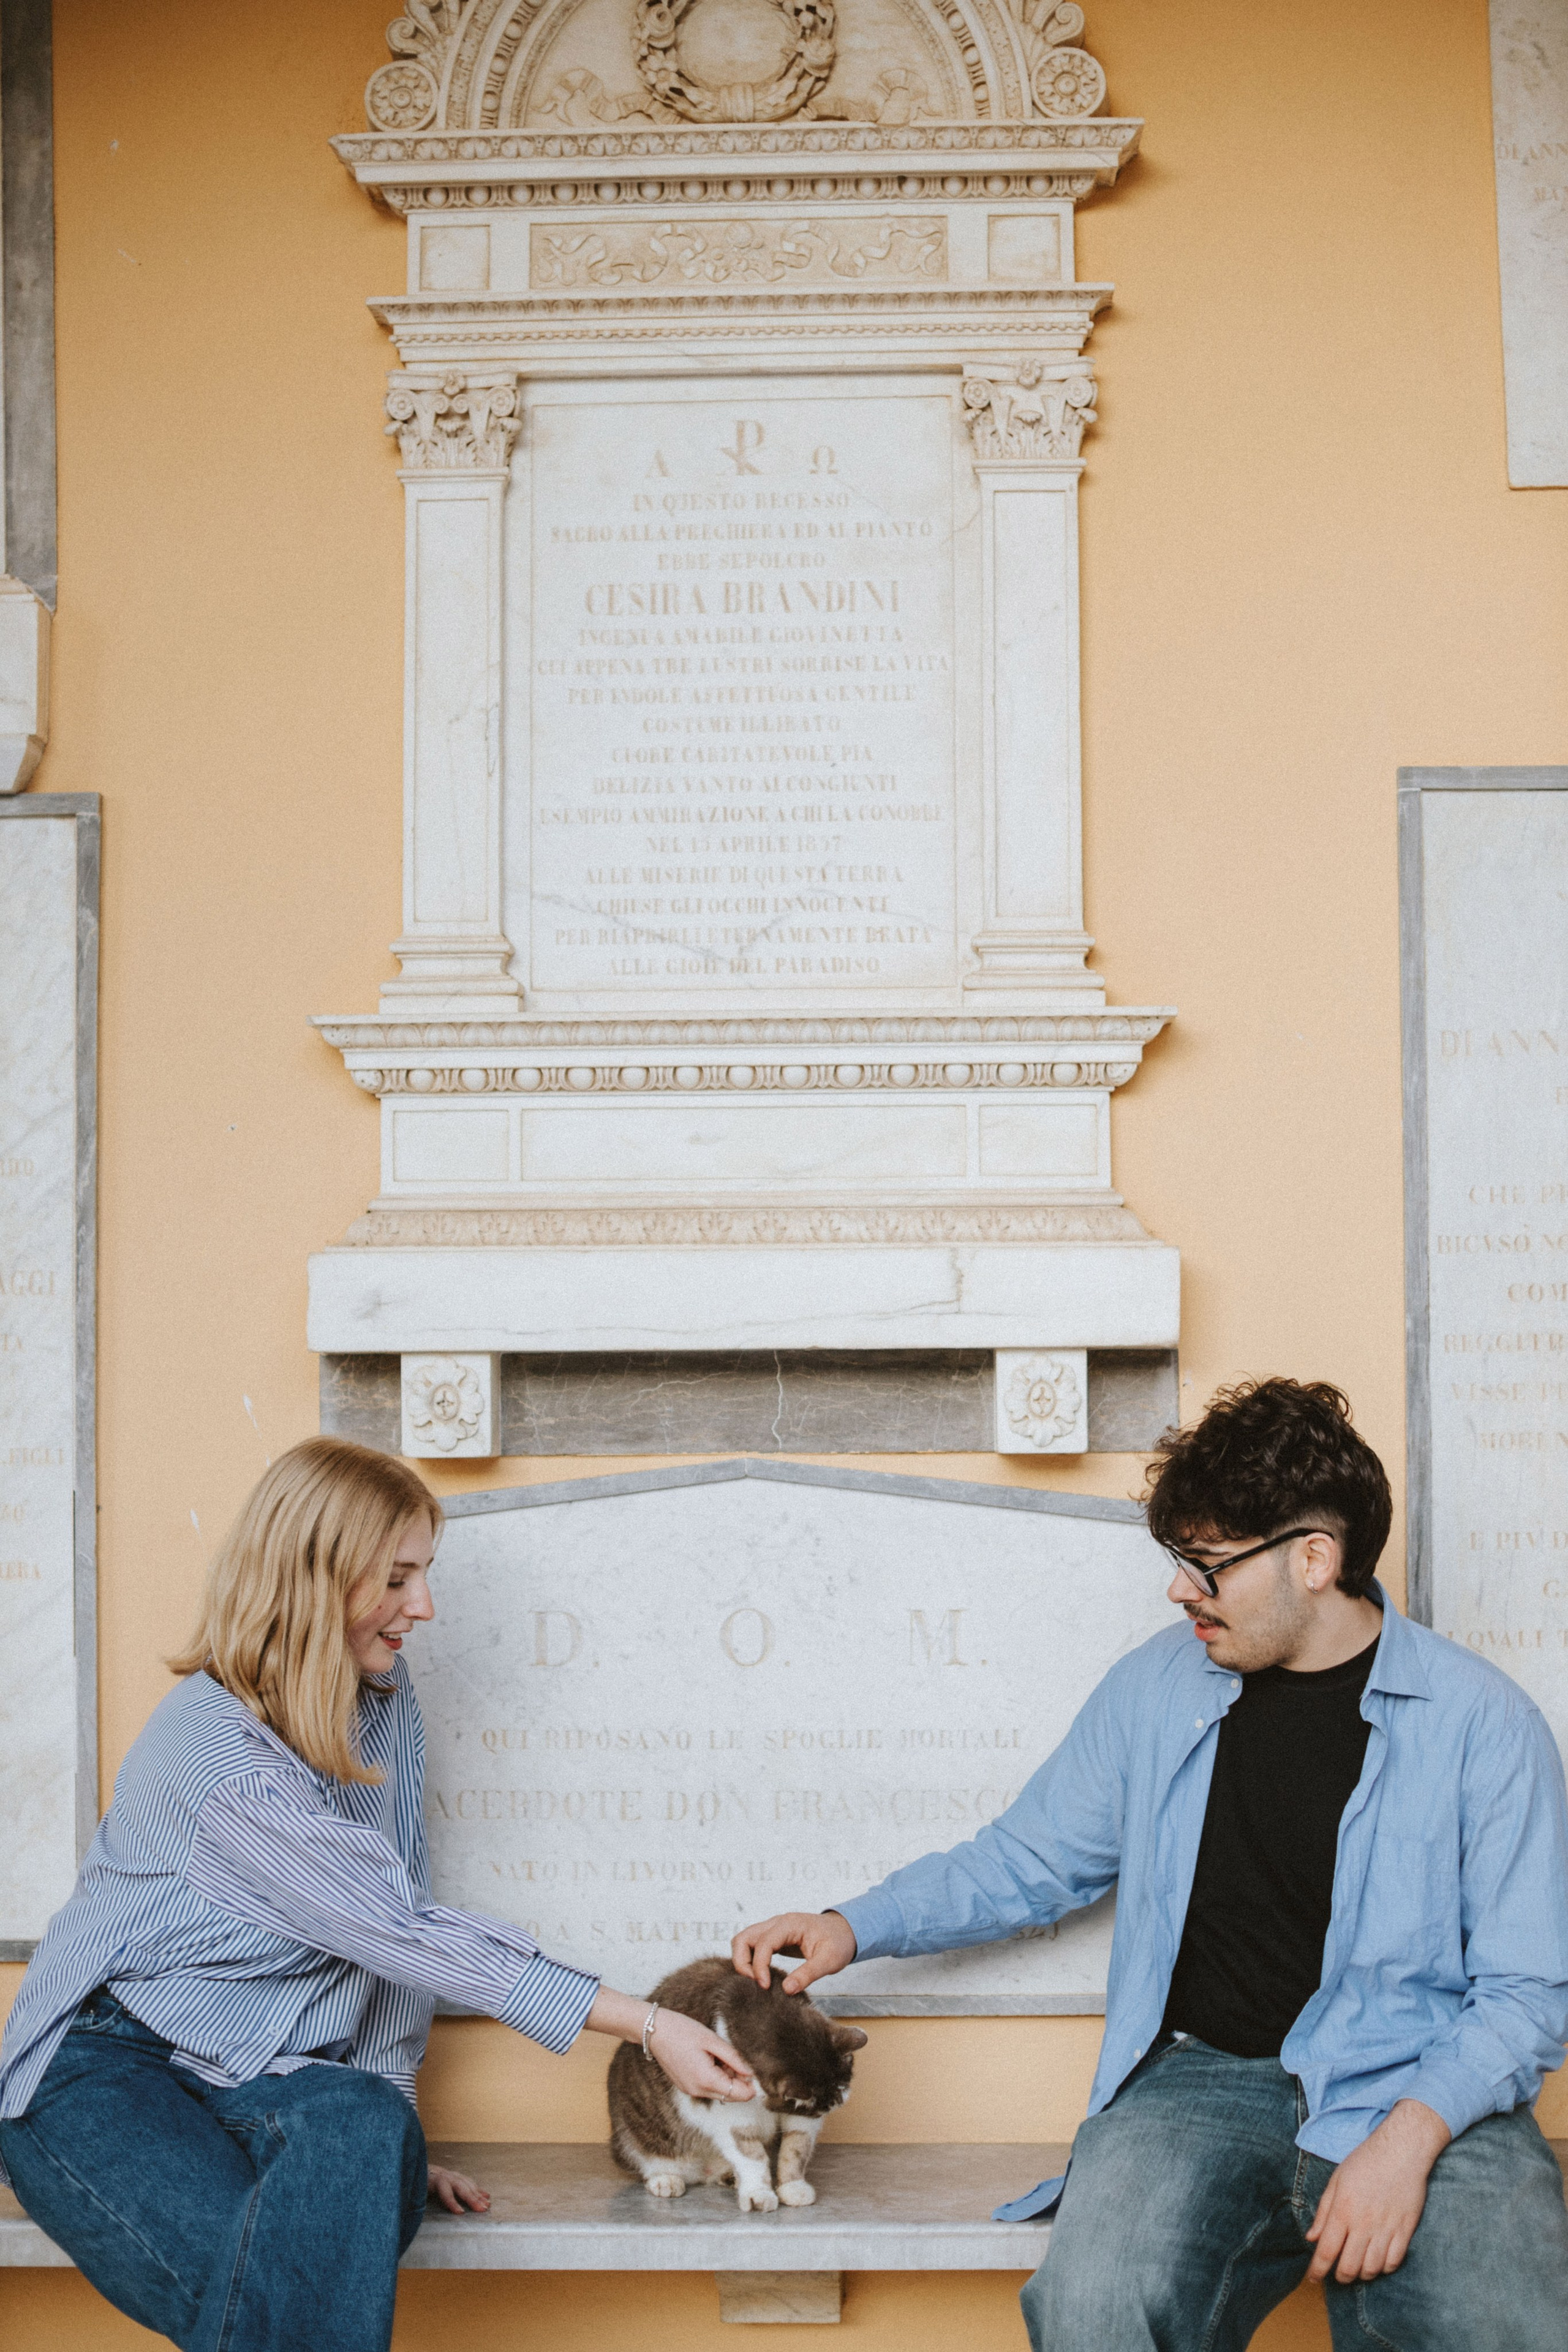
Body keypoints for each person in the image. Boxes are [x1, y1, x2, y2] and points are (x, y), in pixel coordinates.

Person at [733, 1378, 1568, 2352]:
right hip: (1201, 2081)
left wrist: (1410, 2139)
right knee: (1091, 2312)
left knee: (1498, 2322)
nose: (1180, 1590)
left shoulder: (1486, 1726)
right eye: (1179, 1561)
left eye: (1208, 1565)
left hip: (1424, 2081)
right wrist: (854, 1924)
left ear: (1314, 1559)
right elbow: (1028, 1858)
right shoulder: (1154, 1689)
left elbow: (1527, 1992)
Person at [0, 1438, 755, 2352]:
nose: (424, 1606)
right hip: (105, 2070)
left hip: (266, 2076)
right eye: (397, 1579)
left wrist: (386, 2159)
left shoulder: (383, 1703)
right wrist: (650, 2023)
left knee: (366, 2126)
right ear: (312, 1579)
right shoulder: (220, 1759)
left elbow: (390, 1932)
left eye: (423, 1574)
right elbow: (398, 1932)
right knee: (277, 2303)